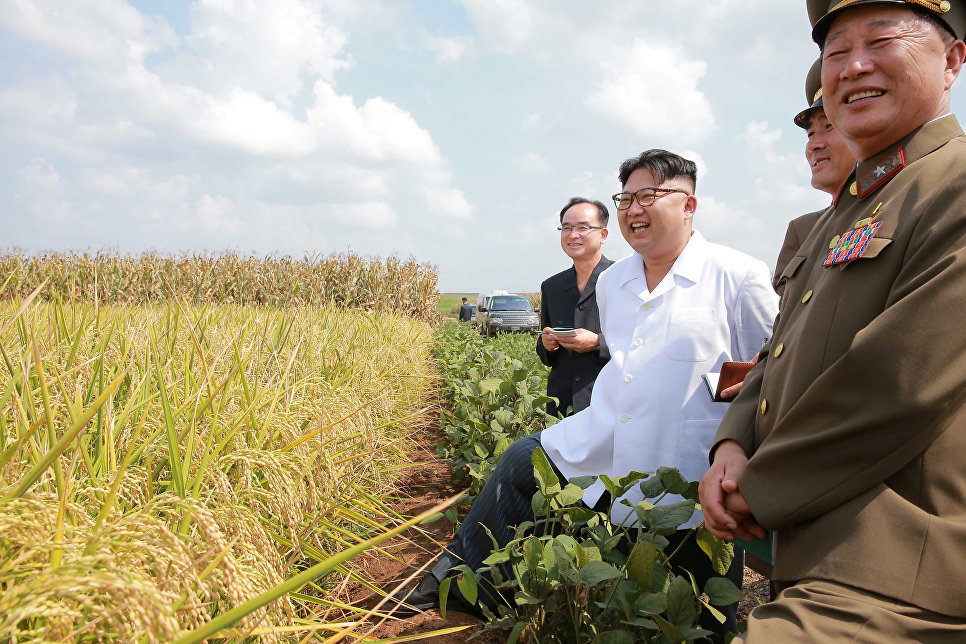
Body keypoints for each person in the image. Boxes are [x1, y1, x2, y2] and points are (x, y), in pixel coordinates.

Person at [395, 150, 778, 640]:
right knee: (523, 461)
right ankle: (469, 587)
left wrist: (741, 447)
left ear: (689, 205)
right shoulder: (614, 282)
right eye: (625, 199)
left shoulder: (736, 274)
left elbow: (773, 369)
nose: (634, 210)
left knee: (697, 597)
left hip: (687, 452)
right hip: (606, 433)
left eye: (650, 196)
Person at [700, 1, 966, 640]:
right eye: (837, 51)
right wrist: (733, 442)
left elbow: (899, 384)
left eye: (881, 41)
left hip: (899, 570)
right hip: (818, 547)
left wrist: (758, 487)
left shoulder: (951, 186)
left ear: (954, 59)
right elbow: (779, 350)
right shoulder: (845, 212)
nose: (853, 67)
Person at [775, 57, 858, 294]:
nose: (814, 145)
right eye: (810, 133)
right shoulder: (804, 229)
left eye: (829, 126)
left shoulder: (905, 205)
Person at [536, 197, 614, 417]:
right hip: (562, 405)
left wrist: (598, 343)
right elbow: (545, 351)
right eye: (566, 228)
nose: (573, 235)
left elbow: (642, 343)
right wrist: (547, 344)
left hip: (609, 402)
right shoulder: (552, 286)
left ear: (603, 235)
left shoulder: (623, 280)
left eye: (583, 227)